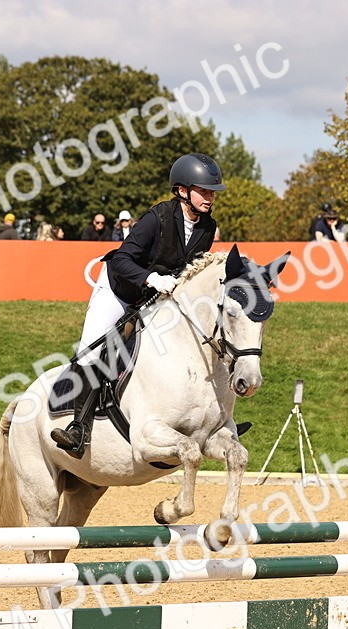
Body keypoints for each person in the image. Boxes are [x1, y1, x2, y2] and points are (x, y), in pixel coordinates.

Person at [50, 153, 225, 456]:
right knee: (92, 350)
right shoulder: (155, 218)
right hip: (120, 289)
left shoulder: (207, 228)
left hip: (157, 298)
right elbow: (121, 260)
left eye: (212, 192)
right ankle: (77, 428)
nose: (210, 197)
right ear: (183, 190)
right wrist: (151, 278)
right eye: (204, 190)